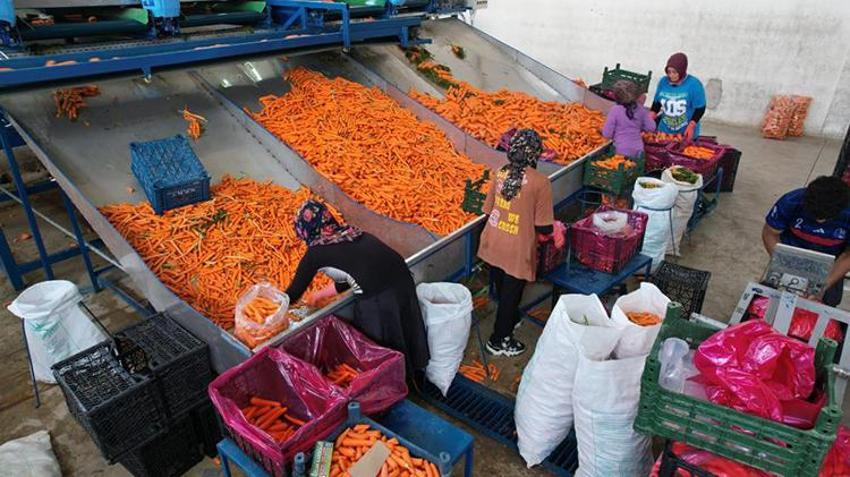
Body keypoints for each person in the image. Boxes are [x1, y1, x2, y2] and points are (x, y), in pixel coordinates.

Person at [285, 199, 429, 379]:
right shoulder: (350, 233)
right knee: (406, 327)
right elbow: (356, 272)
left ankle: (395, 382)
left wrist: (266, 315)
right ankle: (415, 374)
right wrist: (321, 294)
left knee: (382, 342)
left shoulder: (316, 253)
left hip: (379, 296)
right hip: (403, 280)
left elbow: (293, 294)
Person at [478, 129, 563, 357]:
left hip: (492, 241)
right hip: (517, 248)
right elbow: (544, 226)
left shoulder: (501, 173)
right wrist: (557, 227)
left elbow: (487, 210)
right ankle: (499, 340)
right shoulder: (540, 182)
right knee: (511, 295)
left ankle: (510, 319)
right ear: (535, 154)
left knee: (501, 286)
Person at [763, 175, 850, 307]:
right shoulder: (790, 202)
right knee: (768, 298)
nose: (819, 222)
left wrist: (825, 284)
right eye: (814, 216)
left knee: (827, 302)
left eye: (826, 219)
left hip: (833, 260)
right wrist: (784, 264)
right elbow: (770, 234)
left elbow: (848, 255)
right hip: (792, 252)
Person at [650, 52, 707, 141]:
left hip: (685, 132)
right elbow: (656, 105)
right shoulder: (663, 82)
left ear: (682, 71)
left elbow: (700, 108)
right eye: (669, 72)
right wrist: (647, 121)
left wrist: (691, 126)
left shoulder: (694, 84)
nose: (671, 75)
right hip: (664, 132)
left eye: (674, 72)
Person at [602, 79, 656, 157]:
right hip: (638, 150)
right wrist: (640, 126)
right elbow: (651, 127)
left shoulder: (615, 110)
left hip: (620, 150)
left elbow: (607, 134)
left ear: (616, 96)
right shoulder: (640, 109)